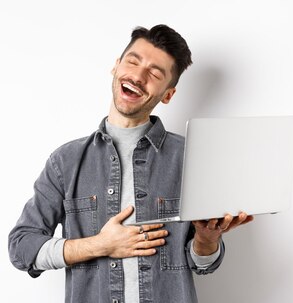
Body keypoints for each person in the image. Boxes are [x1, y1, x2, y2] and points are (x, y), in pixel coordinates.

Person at [8, 24, 253, 303]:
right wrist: (100, 245)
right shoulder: (65, 161)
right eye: (133, 62)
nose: (137, 76)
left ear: (168, 94)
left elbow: (202, 263)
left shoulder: (193, 158)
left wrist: (207, 241)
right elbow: (21, 248)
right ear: (116, 66)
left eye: (154, 73)